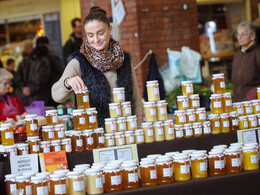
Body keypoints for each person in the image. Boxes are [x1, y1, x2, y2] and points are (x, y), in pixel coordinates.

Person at [52, 6, 143, 128]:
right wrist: (67, 83)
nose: (96, 39)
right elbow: (56, 95)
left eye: (100, 33)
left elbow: (136, 100)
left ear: (110, 30)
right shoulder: (79, 61)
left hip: (124, 133)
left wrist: (137, 131)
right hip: (93, 136)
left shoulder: (124, 60)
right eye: (90, 35)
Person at [15, 41, 51, 106]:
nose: (25, 49)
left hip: (22, 95)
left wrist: (23, 87)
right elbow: (42, 78)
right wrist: (30, 89)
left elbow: (17, 75)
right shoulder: (44, 61)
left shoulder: (24, 60)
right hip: (38, 96)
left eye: (27, 47)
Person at [232, 21, 260, 102]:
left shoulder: (257, 53)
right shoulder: (237, 55)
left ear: (252, 36)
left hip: (254, 103)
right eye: (238, 34)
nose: (239, 37)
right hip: (238, 103)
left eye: (243, 34)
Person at [36, 36, 65, 107]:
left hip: (40, 93)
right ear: (48, 45)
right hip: (53, 89)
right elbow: (62, 70)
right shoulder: (53, 56)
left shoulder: (35, 58)